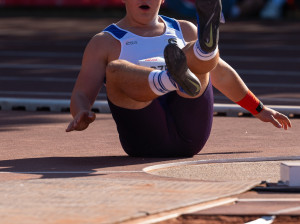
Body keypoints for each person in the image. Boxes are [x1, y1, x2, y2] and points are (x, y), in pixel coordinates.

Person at [66, 0, 291, 157]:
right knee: (115, 70)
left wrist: (258, 108)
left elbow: (220, 72)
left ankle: (203, 51)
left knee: (197, 53)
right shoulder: (104, 41)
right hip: (144, 138)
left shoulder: (183, 29)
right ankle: (172, 78)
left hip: (191, 132)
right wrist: (80, 113)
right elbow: (81, 93)